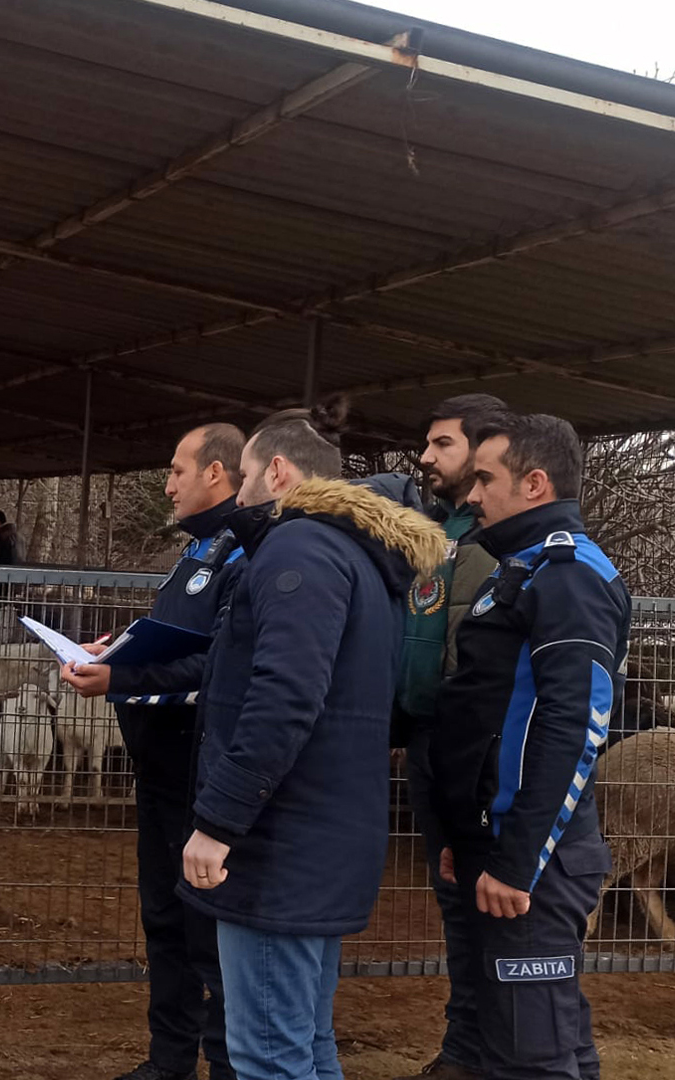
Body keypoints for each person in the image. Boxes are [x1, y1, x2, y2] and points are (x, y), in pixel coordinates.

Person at [180, 402, 444, 1080]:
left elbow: (286, 696)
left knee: (270, 1055)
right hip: (325, 836)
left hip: (279, 849)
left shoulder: (299, 548)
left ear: (277, 470)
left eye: (242, 477)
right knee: (306, 1044)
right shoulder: (360, 558)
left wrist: (218, 819)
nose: (237, 494)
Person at [429, 413, 627, 1080]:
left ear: (535, 482)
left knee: (531, 1059)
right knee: (533, 1040)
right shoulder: (524, 568)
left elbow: (574, 727)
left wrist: (518, 861)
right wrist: (468, 831)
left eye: (486, 478)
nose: (473, 493)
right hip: (501, 845)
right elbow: (491, 713)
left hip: (535, 863)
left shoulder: (568, 576)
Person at [61, 423, 248, 1080]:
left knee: (207, 934)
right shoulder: (197, 551)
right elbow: (174, 640)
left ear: (216, 473)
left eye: (176, 470)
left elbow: (218, 666)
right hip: (161, 772)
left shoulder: (243, 554)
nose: (167, 484)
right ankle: (168, 1062)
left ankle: (224, 1064)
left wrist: (124, 677)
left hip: (201, 774)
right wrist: (115, 652)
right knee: (164, 919)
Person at [370, 393, 509, 1080]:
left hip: (474, 752)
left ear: (486, 450)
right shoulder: (441, 533)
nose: (425, 458)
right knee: (455, 903)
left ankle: (494, 1048)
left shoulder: (499, 543)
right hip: (427, 743)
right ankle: (464, 1047)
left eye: (442, 444)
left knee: (489, 903)